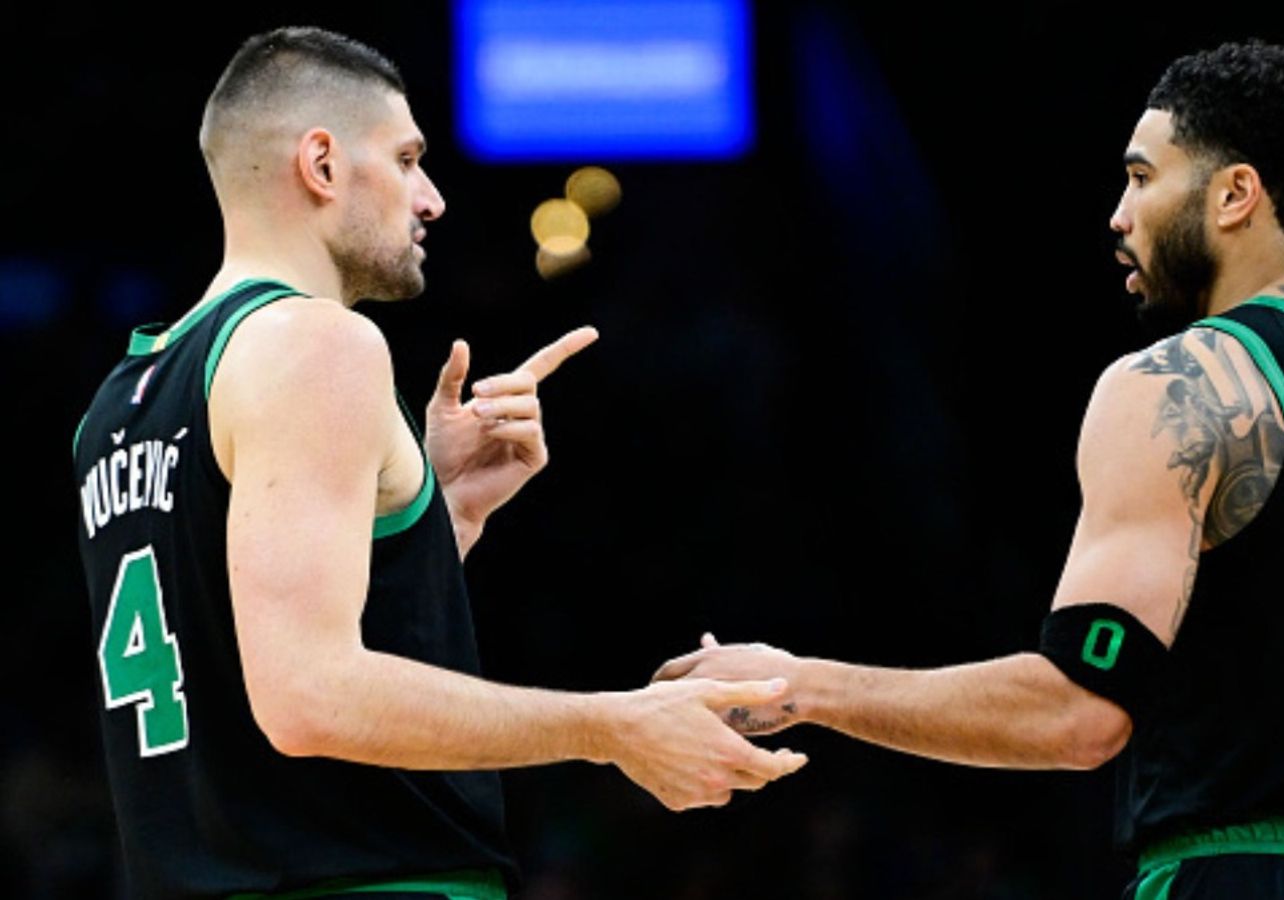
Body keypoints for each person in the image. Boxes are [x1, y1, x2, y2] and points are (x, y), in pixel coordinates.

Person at [654, 40, 1284, 899]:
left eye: (1141, 177)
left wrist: (800, 686)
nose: (1119, 217)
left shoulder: (1183, 383)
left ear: (1235, 194)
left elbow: (1080, 716)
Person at [71, 26, 805, 900]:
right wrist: (615, 725)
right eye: (409, 157)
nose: (433, 198)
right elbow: (309, 698)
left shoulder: (122, 398)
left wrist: (436, 516)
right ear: (322, 163)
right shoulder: (318, 342)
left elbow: (242, 657)